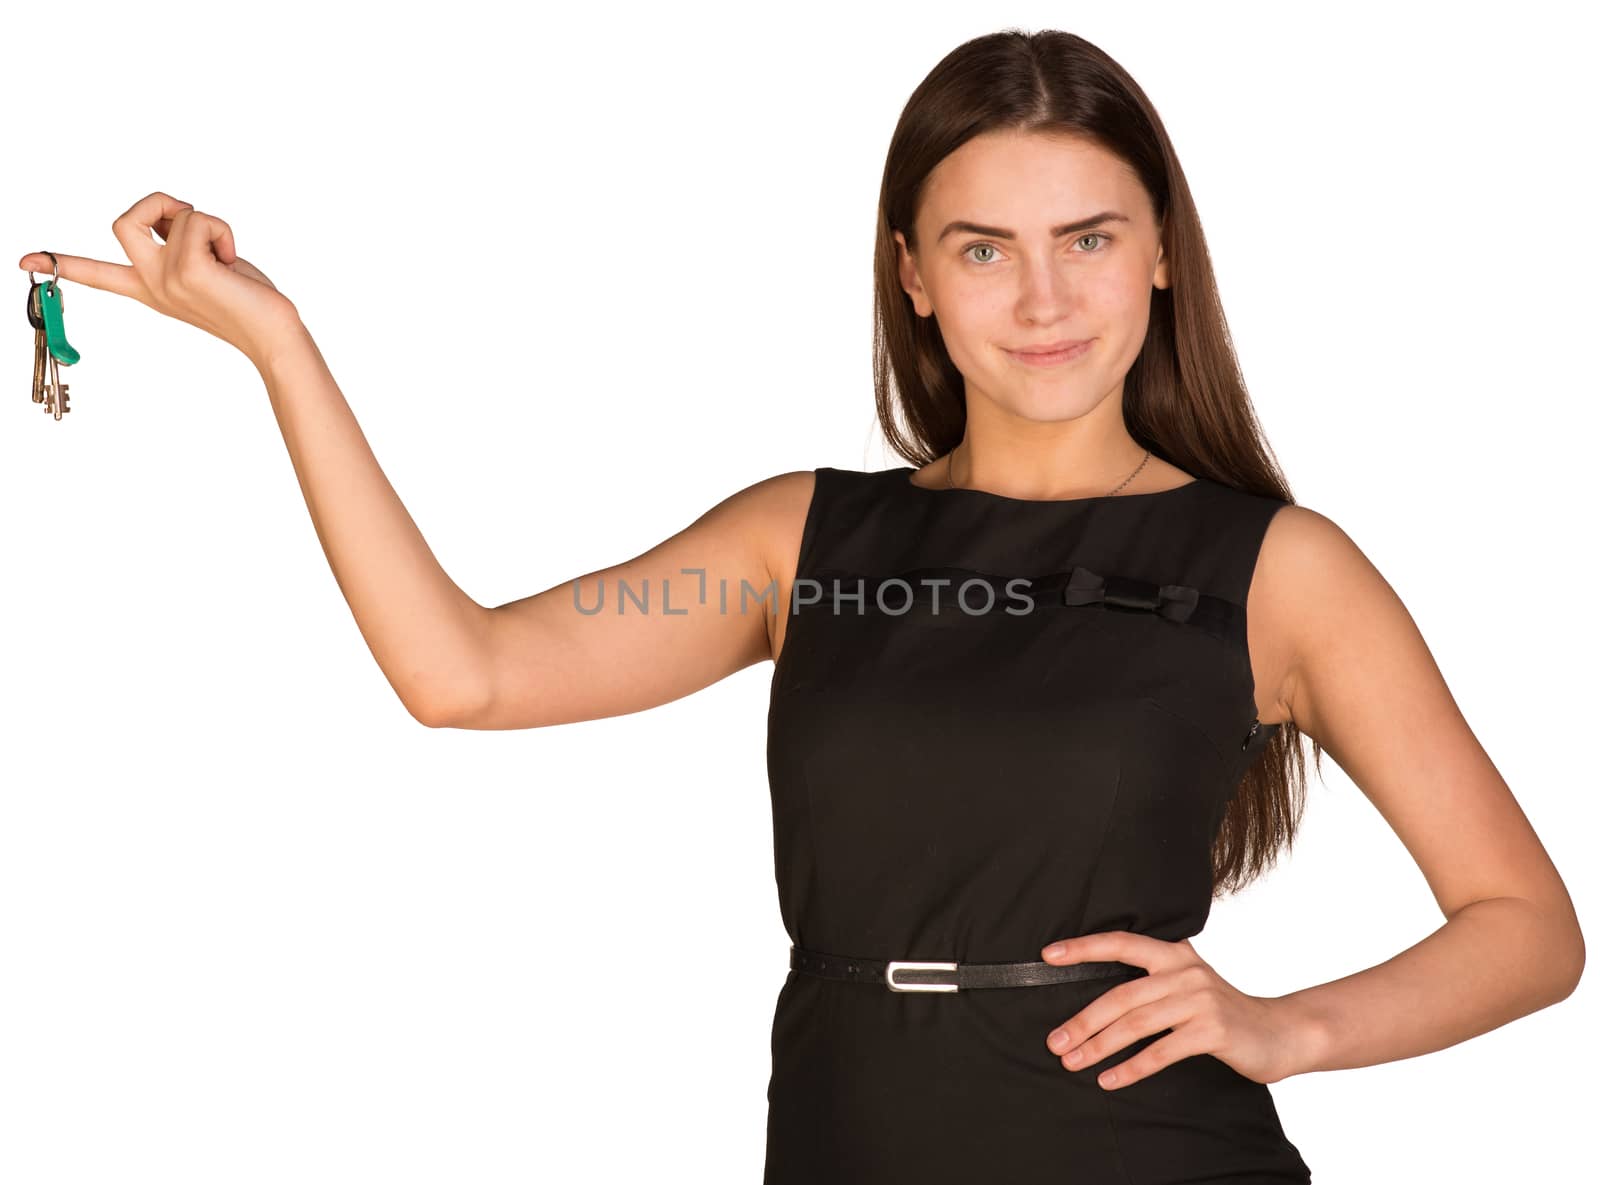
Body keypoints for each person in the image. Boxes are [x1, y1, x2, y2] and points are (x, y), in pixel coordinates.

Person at [19, 26, 1584, 1185]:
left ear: (1161, 253)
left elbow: (1528, 930)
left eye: (1088, 240)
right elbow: (467, 672)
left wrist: (1286, 1027)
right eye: (986, 249)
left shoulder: (1279, 569)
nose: (1042, 300)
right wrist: (278, 345)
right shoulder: (802, 544)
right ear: (912, 272)